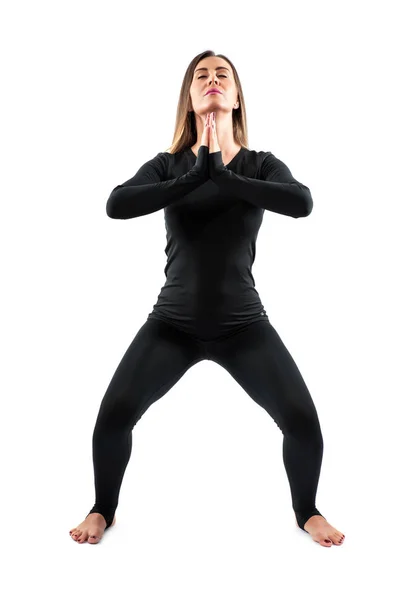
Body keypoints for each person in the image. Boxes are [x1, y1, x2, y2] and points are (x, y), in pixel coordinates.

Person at [69, 51, 345, 547]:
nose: (212, 80)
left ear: (237, 97)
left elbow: (302, 203)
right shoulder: (167, 165)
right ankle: (101, 510)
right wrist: (196, 173)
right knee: (113, 417)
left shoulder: (261, 164)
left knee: (302, 422)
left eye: (223, 75)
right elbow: (116, 205)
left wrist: (223, 173)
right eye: (202, 75)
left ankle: (309, 513)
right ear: (190, 98)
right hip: (172, 324)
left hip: (244, 326)